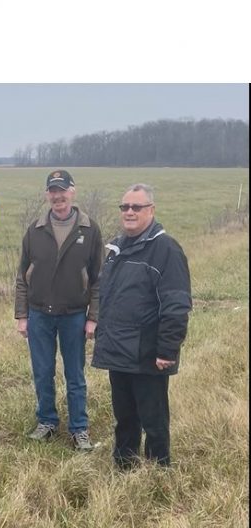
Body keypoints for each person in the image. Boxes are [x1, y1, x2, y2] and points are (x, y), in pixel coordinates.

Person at [92, 184, 192, 469]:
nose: (130, 212)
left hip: (148, 354)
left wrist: (167, 349)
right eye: (124, 207)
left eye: (137, 207)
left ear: (151, 210)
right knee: (124, 416)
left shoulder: (166, 250)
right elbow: (110, 299)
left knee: (154, 417)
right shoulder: (117, 247)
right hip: (118, 351)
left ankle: (159, 471)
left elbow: (176, 304)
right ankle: (124, 465)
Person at [15, 170, 103, 450]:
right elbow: (22, 276)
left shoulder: (90, 229)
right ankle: (47, 422)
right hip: (39, 314)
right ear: (46, 195)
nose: (57, 196)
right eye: (52, 191)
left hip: (74, 315)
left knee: (74, 374)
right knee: (42, 372)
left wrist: (93, 317)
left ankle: (79, 429)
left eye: (62, 190)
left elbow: (99, 277)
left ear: (72, 192)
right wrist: (22, 314)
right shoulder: (35, 229)